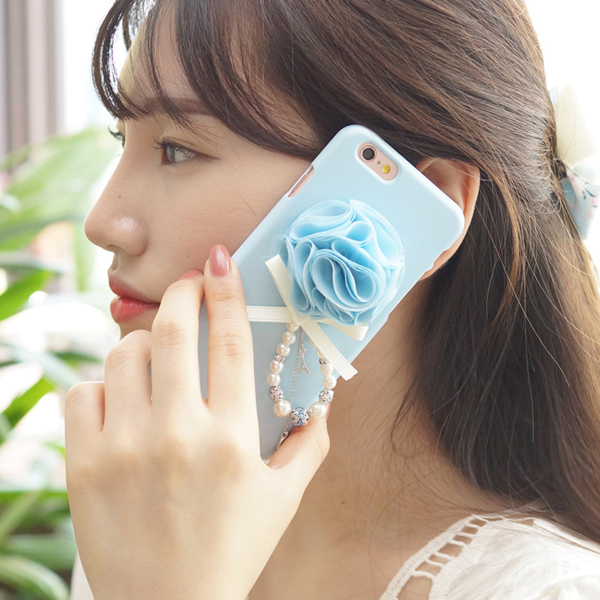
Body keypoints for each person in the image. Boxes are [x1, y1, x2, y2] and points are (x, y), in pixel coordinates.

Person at [67, 0, 600, 598]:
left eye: (177, 149)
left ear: (423, 201)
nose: (102, 221)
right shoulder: (147, 520)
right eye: (121, 138)